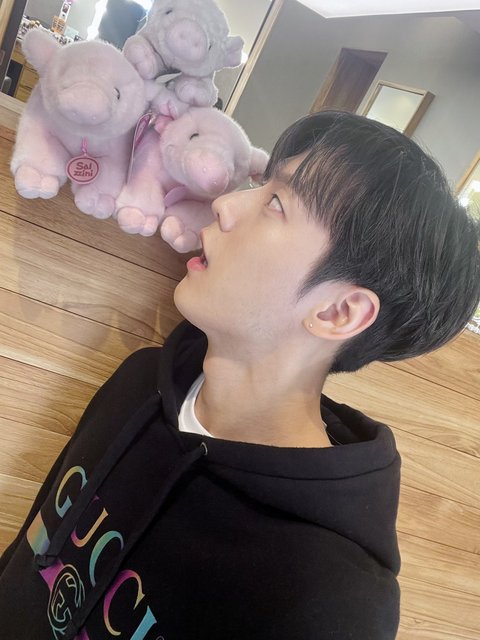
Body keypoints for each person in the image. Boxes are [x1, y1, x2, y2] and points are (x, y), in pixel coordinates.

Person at [0, 111, 479, 639]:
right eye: (260, 185)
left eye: (277, 203)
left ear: (338, 312)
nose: (225, 204)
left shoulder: (330, 601)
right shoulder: (142, 381)